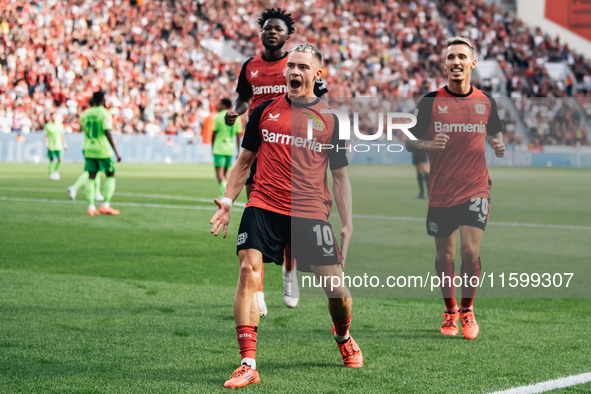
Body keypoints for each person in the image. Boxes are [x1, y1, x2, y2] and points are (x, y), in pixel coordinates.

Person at [210, 44, 363, 388]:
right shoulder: (263, 111)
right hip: (263, 204)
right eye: (291, 66)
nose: (294, 72)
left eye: (303, 67)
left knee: (337, 291)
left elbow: (339, 176)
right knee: (248, 271)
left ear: (317, 74)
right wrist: (228, 199)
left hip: (310, 211)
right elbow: (244, 161)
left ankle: (343, 337)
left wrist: (348, 223)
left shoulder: (331, 120)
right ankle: (248, 363)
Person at [225, 8, 328, 314]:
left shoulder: (296, 63)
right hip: (260, 146)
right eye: (267, 28)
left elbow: (318, 99)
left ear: (287, 35)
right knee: (258, 212)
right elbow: (244, 97)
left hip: (291, 147)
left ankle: (289, 272)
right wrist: (237, 110)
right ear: (261, 33)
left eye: (277, 28)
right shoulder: (251, 66)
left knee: (290, 220)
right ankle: (256, 292)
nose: (271, 32)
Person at [406, 37, 505, 340]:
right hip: (441, 192)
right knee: (444, 256)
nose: (456, 61)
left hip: (476, 187)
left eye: (462, 56)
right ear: (445, 64)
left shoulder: (486, 102)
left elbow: (495, 132)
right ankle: (449, 311)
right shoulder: (430, 102)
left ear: (472, 63)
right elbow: (409, 141)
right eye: (451, 57)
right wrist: (428, 144)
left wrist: (496, 143)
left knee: (469, 250)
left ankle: (467, 310)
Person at [80, 91, 122, 216]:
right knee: (110, 174)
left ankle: (91, 207)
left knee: (91, 177)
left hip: (88, 148)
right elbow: (107, 132)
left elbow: (84, 128)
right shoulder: (104, 113)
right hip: (102, 149)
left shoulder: (85, 114)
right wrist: (116, 152)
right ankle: (105, 205)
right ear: (103, 99)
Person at [212, 98, 242, 198]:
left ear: (224, 105)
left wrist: (212, 147)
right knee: (225, 174)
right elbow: (238, 135)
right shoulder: (236, 117)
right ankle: (225, 193)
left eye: (220, 104)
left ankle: (222, 194)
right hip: (230, 149)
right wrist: (238, 151)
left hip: (219, 148)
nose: (218, 106)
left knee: (219, 175)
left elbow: (214, 133)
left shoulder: (219, 116)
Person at [44, 114, 67, 180]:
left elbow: (61, 136)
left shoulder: (60, 125)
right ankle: (51, 173)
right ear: (51, 117)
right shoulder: (48, 126)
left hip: (59, 145)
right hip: (51, 145)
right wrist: (46, 143)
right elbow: (46, 135)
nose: (54, 117)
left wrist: (65, 144)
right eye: (53, 116)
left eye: (55, 116)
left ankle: (55, 171)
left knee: (60, 159)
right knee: (51, 159)